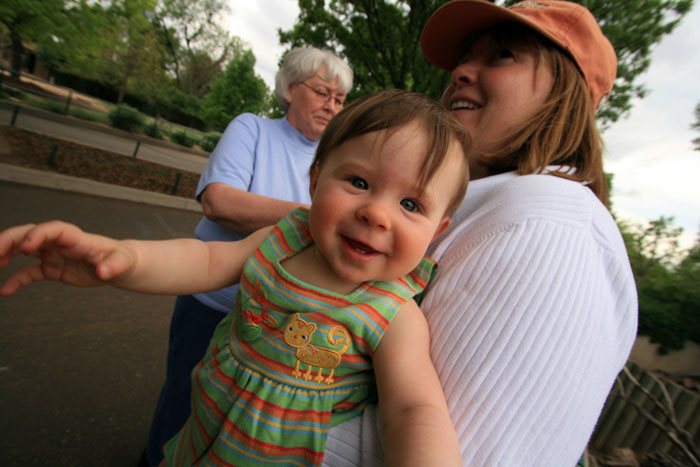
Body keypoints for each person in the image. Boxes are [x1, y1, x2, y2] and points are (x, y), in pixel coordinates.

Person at [0, 89, 471, 466]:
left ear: (437, 231)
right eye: (359, 182)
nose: (376, 214)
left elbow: (413, 410)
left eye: (410, 204)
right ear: (315, 181)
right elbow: (206, 260)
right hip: (198, 439)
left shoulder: (392, 313)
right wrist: (121, 258)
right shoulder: (285, 239)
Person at [321, 1, 638, 466]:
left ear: (564, 94)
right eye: (465, 57)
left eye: (503, 54)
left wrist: (241, 425)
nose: (460, 72)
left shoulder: (550, 224)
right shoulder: (495, 207)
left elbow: (480, 454)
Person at [143, 47, 353, 466]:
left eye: (340, 98)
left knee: (238, 423)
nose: (332, 106)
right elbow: (220, 202)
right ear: (289, 89)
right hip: (213, 304)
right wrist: (316, 216)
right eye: (322, 92)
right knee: (184, 401)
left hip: (281, 323)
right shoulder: (252, 129)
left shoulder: (338, 158)